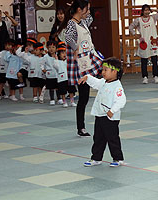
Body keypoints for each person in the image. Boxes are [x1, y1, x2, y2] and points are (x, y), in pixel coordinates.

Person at [61, 0, 102, 137]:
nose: (88, 12)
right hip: (81, 63)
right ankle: (81, 127)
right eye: (86, 9)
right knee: (83, 97)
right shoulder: (72, 23)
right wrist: (75, 48)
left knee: (108, 76)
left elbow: (92, 17)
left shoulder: (83, 21)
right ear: (79, 9)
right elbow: (68, 37)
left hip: (91, 58)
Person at [79, 58, 126, 167]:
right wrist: (87, 78)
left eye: (106, 70)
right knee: (98, 138)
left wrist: (112, 110)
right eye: (102, 70)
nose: (103, 72)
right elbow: (95, 82)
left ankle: (118, 158)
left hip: (110, 118)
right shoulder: (104, 82)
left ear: (115, 71)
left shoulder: (117, 87)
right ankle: (96, 158)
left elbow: (121, 100)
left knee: (112, 138)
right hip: (100, 115)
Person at [129, 4, 158, 84]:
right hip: (144, 42)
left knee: (154, 60)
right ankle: (145, 77)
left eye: (148, 10)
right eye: (145, 10)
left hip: (153, 42)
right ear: (142, 11)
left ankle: (155, 76)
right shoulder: (138, 20)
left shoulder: (153, 18)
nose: (147, 12)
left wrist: (153, 10)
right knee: (144, 60)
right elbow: (131, 27)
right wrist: (135, 34)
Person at [53, 43, 77, 108]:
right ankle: (64, 102)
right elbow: (55, 66)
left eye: (65, 53)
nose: (64, 54)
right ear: (59, 54)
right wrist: (56, 59)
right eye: (62, 53)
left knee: (71, 91)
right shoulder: (57, 62)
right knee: (63, 92)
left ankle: (72, 101)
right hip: (62, 79)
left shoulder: (68, 61)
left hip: (69, 78)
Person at [41, 40, 62, 105]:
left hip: (57, 74)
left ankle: (59, 98)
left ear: (56, 48)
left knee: (58, 87)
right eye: (49, 47)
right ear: (47, 48)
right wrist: (43, 69)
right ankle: (52, 99)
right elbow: (42, 64)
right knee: (51, 88)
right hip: (49, 75)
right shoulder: (45, 57)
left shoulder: (58, 56)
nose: (51, 49)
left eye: (53, 47)